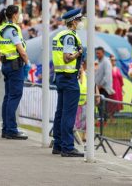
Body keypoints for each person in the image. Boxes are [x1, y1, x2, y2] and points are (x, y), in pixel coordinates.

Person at [51, 8, 84, 157]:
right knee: (68, 114)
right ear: (74, 21)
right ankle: (68, 147)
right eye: (79, 20)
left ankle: (58, 144)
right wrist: (79, 53)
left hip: (60, 76)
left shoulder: (59, 34)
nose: (81, 23)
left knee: (60, 112)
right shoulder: (70, 37)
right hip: (69, 78)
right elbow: (67, 57)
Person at [0, 5, 29, 139]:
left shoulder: (1, 28)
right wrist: (28, 63)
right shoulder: (12, 29)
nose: (20, 15)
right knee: (14, 96)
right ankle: (11, 129)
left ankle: (6, 128)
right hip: (15, 65)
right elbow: (21, 50)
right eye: (19, 13)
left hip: (6, 64)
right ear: (15, 14)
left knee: (8, 97)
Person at [94, 46, 114, 126]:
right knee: (99, 105)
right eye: (96, 53)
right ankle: (100, 120)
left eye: (99, 53)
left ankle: (104, 121)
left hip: (104, 88)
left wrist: (100, 85)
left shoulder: (106, 62)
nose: (97, 54)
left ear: (103, 53)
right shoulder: (96, 61)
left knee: (103, 105)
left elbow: (107, 75)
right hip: (97, 87)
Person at [107, 55, 124, 124]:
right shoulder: (108, 69)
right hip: (111, 88)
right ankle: (111, 118)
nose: (114, 61)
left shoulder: (117, 68)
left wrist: (122, 89)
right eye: (112, 60)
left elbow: (121, 80)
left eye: (115, 60)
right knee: (111, 103)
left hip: (118, 88)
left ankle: (112, 117)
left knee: (117, 103)